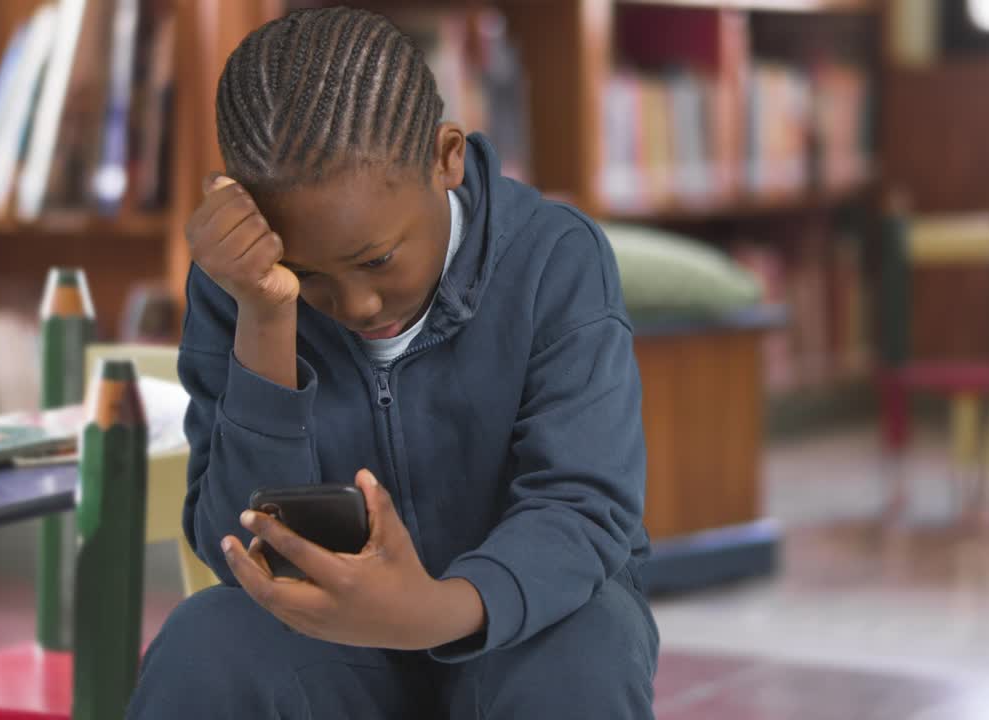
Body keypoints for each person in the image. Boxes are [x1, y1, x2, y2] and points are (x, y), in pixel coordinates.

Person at [127, 6, 657, 718]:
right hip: (333, 642)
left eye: (377, 259)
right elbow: (235, 537)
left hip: (517, 622)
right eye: (309, 274)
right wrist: (266, 316)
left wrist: (434, 609)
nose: (357, 303)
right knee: (205, 641)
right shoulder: (242, 284)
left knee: (590, 646)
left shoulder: (555, 260)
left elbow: (583, 509)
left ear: (446, 157)